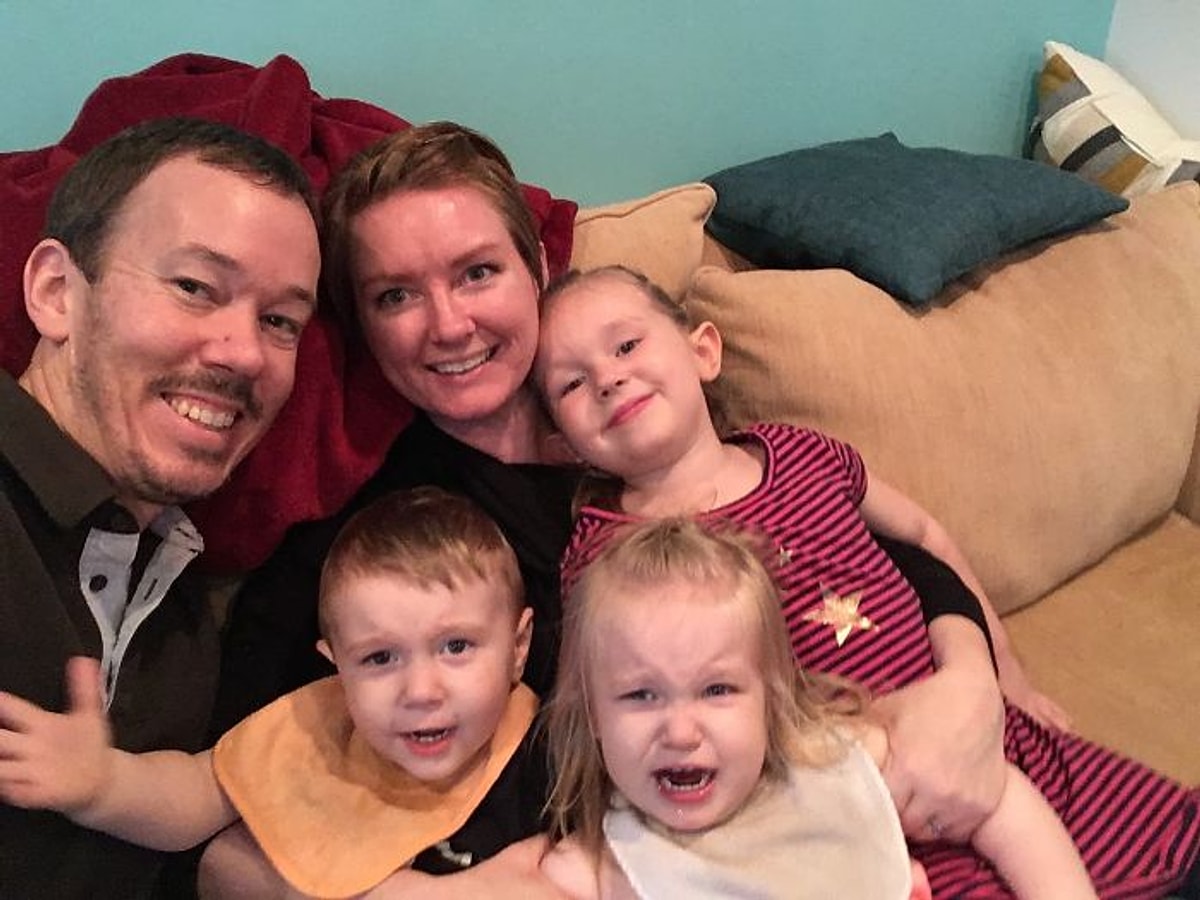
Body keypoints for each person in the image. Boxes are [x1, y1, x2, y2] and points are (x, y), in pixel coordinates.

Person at [205, 122, 1041, 893]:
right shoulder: (384, 537)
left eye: (477, 272)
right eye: (395, 295)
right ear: (360, 324)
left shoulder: (642, 414)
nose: (449, 324)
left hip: (877, 782)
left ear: (537, 268)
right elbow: (232, 837)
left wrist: (972, 680)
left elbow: (847, 531)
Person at [532, 263, 1200, 898]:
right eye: (572, 384)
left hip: (989, 739)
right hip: (853, 803)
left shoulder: (800, 451)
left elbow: (924, 538)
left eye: (626, 345)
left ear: (703, 350)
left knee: (1162, 847)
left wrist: (1003, 671)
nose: (608, 379)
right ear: (562, 442)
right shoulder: (601, 556)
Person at [0, 116, 321, 899]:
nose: (244, 352)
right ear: (56, 293)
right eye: (195, 288)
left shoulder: (183, 607)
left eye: (280, 321)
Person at [0, 487, 549, 897]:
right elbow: (197, 793)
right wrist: (101, 785)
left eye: (456, 646)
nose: (421, 691)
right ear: (336, 667)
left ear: (519, 647)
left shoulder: (551, 760)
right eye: (379, 658)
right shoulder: (318, 728)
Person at [541, 516, 1098, 900]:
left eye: (717, 690)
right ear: (592, 714)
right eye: (641, 695)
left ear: (771, 696)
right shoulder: (596, 867)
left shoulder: (835, 765)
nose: (681, 732)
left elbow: (999, 800)